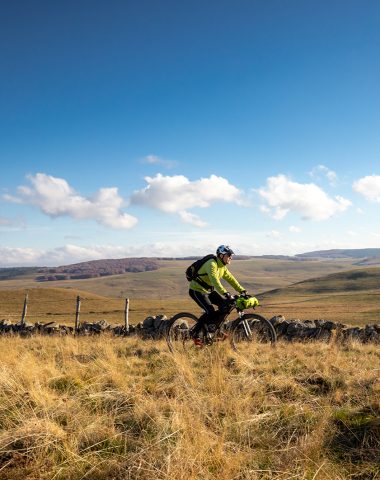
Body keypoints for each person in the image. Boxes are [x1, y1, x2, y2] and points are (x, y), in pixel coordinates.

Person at [188, 245, 247, 346]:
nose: (231, 258)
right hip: (197, 290)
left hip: (208, 291)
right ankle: (194, 333)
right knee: (209, 311)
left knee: (225, 305)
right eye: (229, 255)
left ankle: (213, 329)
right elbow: (214, 280)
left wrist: (242, 290)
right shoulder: (211, 264)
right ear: (221, 255)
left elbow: (231, 279)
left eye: (231, 255)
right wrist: (225, 293)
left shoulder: (222, 267)